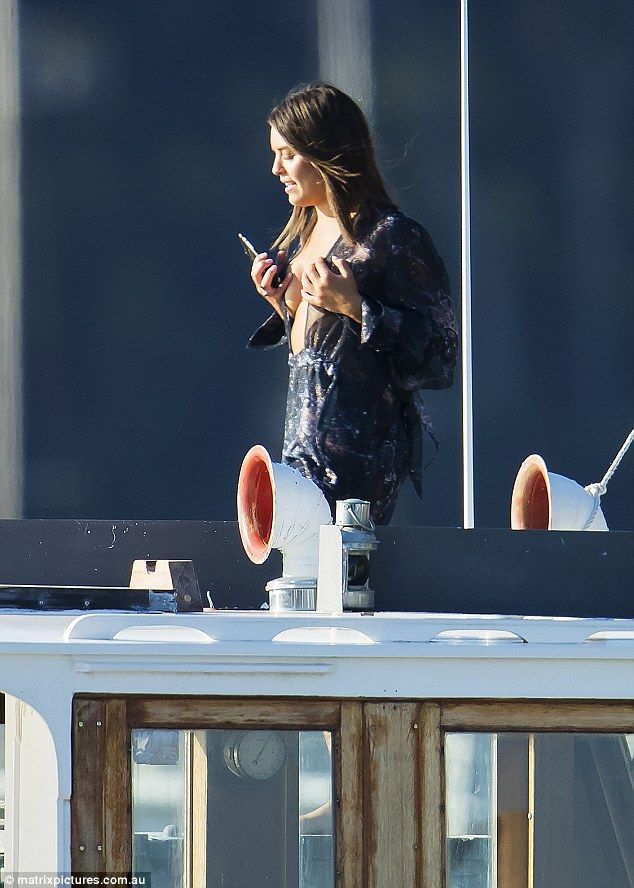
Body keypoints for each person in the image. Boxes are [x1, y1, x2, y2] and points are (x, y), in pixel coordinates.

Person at [248, 82, 458, 525]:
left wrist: (354, 307)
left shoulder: (392, 237)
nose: (276, 169)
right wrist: (284, 305)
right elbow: (325, 357)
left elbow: (440, 357)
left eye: (287, 154)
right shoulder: (302, 240)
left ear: (325, 152)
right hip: (300, 476)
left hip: (358, 488)